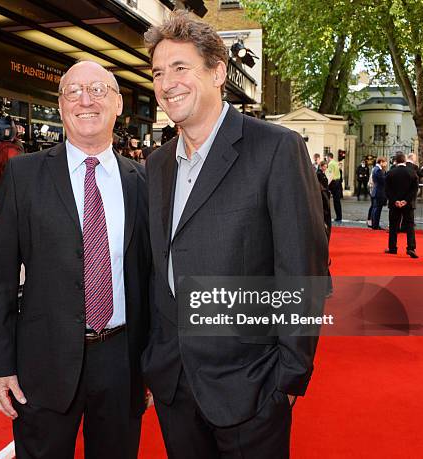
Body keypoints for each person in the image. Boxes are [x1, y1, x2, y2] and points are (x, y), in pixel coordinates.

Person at [142, 11, 328, 458]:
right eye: (158, 73)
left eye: (180, 68)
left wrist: (287, 377)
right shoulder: (158, 163)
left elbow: (303, 269)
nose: (168, 83)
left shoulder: (276, 148)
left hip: (251, 386)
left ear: (218, 71)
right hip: (174, 382)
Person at [0, 60, 150, 459]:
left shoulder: (143, 180)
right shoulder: (23, 176)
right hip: (42, 360)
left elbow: (151, 277)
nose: (85, 100)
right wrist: (0, 366)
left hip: (121, 360)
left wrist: (152, 363)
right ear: (60, 107)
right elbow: (2, 279)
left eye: (97, 90)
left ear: (117, 105)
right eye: (73, 91)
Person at [385, 152, 419, 258]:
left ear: (395, 161)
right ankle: (411, 247)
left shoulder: (391, 172)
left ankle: (392, 248)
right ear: (404, 160)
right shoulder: (412, 172)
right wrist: (406, 200)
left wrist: (395, 200)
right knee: (409, 226)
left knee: (393, 226)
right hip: (408, 204)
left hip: (394, 204)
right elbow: (414, 189)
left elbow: (387, 189)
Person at [369, 157, 387, 230]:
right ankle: (375, 225)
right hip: (379, 192)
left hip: (376, 191)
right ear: (381, 162)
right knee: (377, 209)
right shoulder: (378, 170)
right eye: (385, 162)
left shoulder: (376, 169)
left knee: (375, 208)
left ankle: (374, 224)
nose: (386, 164)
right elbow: (383, 180)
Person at [327, 152, 343, 221]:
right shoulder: (336, 163)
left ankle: (338, 217)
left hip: (334, 183)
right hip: (338, 182)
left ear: (328, 157)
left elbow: (331, 175)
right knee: (337, 201)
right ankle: (339, 216)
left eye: (327, 158)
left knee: (335, 201)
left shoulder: (330, 164)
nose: (326, 159)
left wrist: (327, 184)